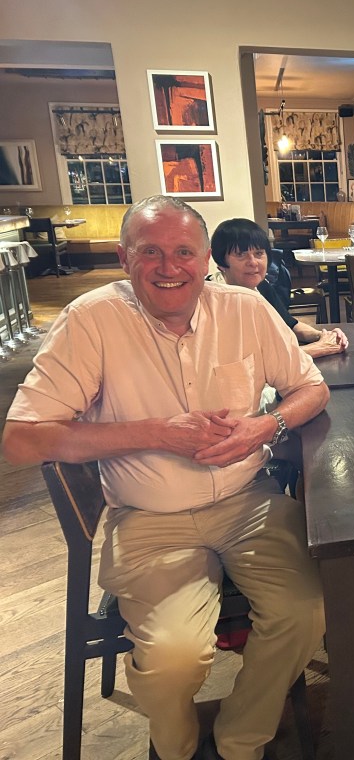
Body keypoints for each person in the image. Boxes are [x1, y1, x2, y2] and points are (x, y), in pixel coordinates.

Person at [2, 195, 329, 760]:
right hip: (148, 520)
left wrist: (265, 425)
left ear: (206, 260)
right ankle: (175, 749)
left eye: (183, 252)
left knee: (308, 613)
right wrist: (157, 433)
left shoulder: (245, 308)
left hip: (249, 501)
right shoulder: (91, 320)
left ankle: (239, 741)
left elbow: (312, 389)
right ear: (124, 258)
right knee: (175, 657)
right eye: (149, 252)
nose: (168, 266)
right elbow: (21, 439)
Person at [210, 217, 348, 358]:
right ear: (221, 263)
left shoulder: (262, 287)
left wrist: (324, 335)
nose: (253, 262)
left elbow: (291, 325)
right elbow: (253, 359)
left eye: (259, 253)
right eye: (241, 255)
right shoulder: (213, 301)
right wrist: (318, 348)